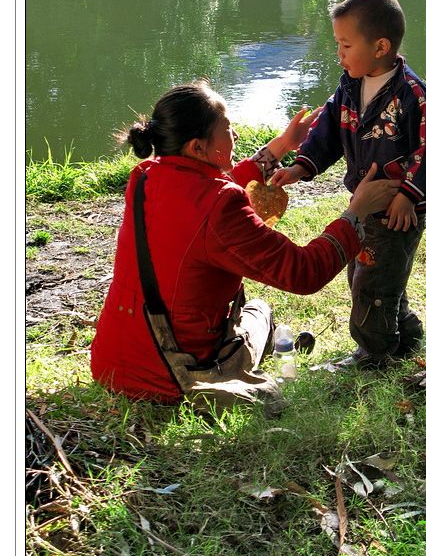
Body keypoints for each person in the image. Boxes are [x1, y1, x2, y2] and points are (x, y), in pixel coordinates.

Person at [90, 80, 401, 404]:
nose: (235, 135)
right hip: (171, 374)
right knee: (259, 312)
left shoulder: (145, 176)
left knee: (253, 314)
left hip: (111, 363)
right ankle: (265, 367)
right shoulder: (221, 205)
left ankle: (265, 356)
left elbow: (208, 189)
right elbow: (303, 272)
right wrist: (356, 212)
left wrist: (281, 146)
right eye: (228, 128)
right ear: (197, 147)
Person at [272, 0, 426, 369]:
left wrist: (408, 197)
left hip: (397, 211)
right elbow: (328, 131)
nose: (339, 53)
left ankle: (374, 354)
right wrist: (302, 165)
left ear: (381, 46)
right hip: (365, 204)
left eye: (346, 45)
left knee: (372, 284)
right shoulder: (349, 85)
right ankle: (405, 334)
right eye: (338, 44)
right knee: (371, 274)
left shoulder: (412, 95)